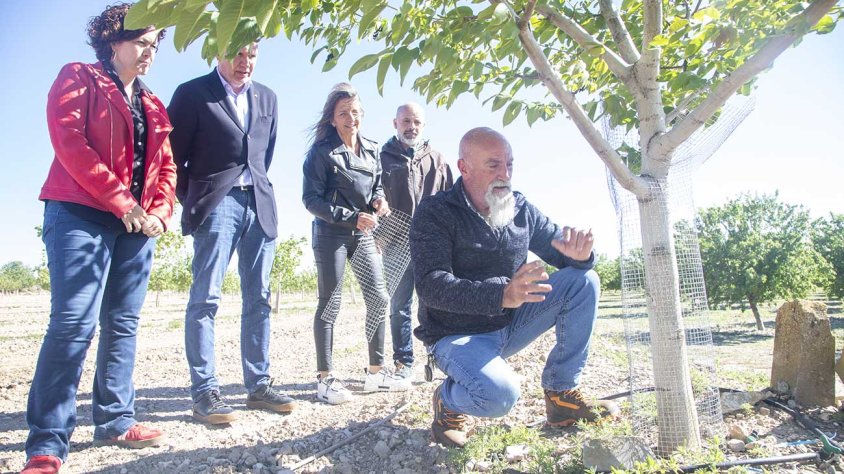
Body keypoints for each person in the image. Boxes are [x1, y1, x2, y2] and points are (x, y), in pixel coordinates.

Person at [23, 4, 176, 473]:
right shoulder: (79, 76)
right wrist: (120, 200)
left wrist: (160, 213)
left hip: (136, 225)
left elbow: (166, 167)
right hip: (79, 213)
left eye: (156, 45)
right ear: (115, 42)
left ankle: (115, 418)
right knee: (73, 322)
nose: (151, 52)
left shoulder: (153, 103)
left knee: (123, 322)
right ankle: (47, 443)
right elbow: (69, 140)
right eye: (143, 42)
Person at [411, 127, 619, 448]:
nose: (505, 174)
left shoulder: (520, 208)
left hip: (510, 324)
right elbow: (431, 286)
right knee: (499, 396)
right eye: (493, 165)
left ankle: (561, 395)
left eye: (509, 164)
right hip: (456, 336)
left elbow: (559, 249)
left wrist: (580, 256)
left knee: (583, 280)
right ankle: (448, 403)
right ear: (464, 168)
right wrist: (503, 294)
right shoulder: (435, 213)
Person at [168, 41, 295, 425]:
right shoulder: (192, 94)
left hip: (259, 204)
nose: (245, 62)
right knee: (205, 298)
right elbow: (173, 157)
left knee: (258, 298)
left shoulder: (268, 97)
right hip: (215, 204)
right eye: (237, 54)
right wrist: (195, 198)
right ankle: (204, 390)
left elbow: (264, 155)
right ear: (217, 54)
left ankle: (258, 386)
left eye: (251, 55)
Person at [302, 83, 411, 405]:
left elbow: (376, 185)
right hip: (330, 233)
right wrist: (351, 217)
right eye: (343, 113)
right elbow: (310, 200)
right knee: (330, 302)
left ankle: (376, 372)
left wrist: (379, 201)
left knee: (379, 297)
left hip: (362, 233)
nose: (351, 118)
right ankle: (325, 379)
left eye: (355, 112)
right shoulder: (321, 153)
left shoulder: (372, 149)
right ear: (332, 118)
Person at [379, 103, 453, 381]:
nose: (411, 126)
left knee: (437, 302)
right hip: (395, 243)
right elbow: (370, 199)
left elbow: (451, 203)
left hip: (432, 245)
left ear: (423, 125)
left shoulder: (438, 160)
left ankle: (440, 356)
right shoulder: (381, 159)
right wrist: (379, 237)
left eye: (417, 122)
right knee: (399, 305)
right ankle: (404, 363)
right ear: (395, 123)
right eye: (406, 121)